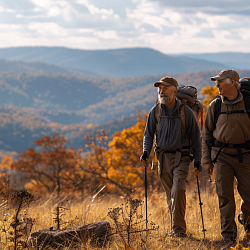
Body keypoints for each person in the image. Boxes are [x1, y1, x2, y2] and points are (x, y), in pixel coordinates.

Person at [140, 76, 201, 237]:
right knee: (170, 195)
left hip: (182, 157)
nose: (161, 91)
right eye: (159, 88)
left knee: (178, 190)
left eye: (165, 88)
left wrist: (199, 159)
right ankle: (175, 228)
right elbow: (148, 134)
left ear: (174, 90)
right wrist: (146, 152)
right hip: (162, 158)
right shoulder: (156, 110)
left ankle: (179, 231)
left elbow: (196, 137)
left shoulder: (185, 111)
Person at [201, 69, 250, 245]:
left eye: (221, 81)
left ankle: (247, 223)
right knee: (225, 197)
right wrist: (206, 160)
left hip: (246, 156)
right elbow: (206, 135)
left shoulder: (248, 103)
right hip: (221, 157)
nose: (217, 85)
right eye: (217, 82)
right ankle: (228, 237)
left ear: (233, 82)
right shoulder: (215, 105)